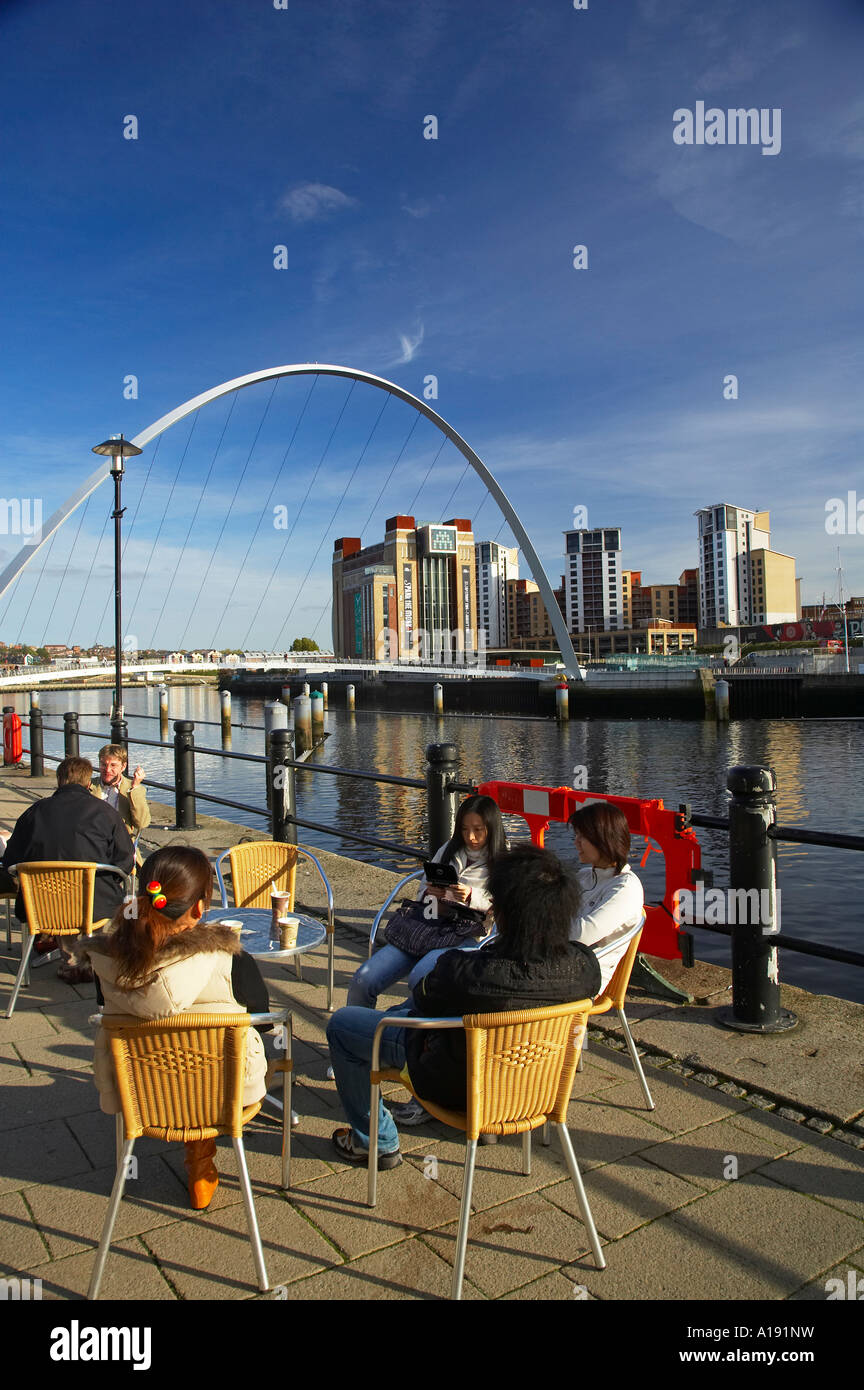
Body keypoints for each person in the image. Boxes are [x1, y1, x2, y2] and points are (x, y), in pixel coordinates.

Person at [326, 844, 601, 1168]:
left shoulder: (466, 971)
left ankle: (375, 1141)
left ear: (504, 912)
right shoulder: (584, 968)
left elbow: (426, 999)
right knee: (398, 1014)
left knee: (344, 1025)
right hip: (534, 1089)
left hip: (456, 1082)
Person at [79, 846, 268, 1211]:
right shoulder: (231, 958)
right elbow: (262, 1013)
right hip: (219, 1089)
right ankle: (200, 1161)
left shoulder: (104, 959)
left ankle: (191, 1155)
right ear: (199, 908)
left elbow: (104, 1008)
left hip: (141, 1091)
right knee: (260, 1037)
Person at [346, 794, 506, 1011]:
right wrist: (432, 895)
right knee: (362, 981)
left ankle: (395, 1028)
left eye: (478, 830)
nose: (471, 837)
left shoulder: (505, 860)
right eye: (464, 829)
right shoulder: (449, 849)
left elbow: (507, 905)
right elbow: (423, 892)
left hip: (466, 936)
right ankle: (362, 1032)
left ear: (492, 827)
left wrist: (470, 896)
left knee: (420, 978)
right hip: (427, 925)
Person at [0, 756, 134, 984]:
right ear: (88, 783)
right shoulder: (105, 813)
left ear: (59, 780)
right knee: (109, 896)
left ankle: (72, 961)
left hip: (43, 905)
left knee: (60, 896)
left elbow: (11, 860)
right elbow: (125, 861)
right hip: (94, 903)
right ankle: (96, 959)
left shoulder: (33, 813)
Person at [568, 802, 645, 990]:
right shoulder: (584, 876)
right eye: (576, 835)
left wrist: (534, 927)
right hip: (556, 963)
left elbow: (581, 934)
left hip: (582, 977)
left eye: (582, 836)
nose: (576, 842)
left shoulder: (625, 887)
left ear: (603, 839)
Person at [91, 743, 151, 842]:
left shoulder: (132, 788)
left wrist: (135, 787)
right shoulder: (89, 786)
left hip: (121, 844)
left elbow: (142, 823)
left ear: (123, 766)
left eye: (113, 765)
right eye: (103, 765)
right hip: (94, 843)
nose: (107, 770)